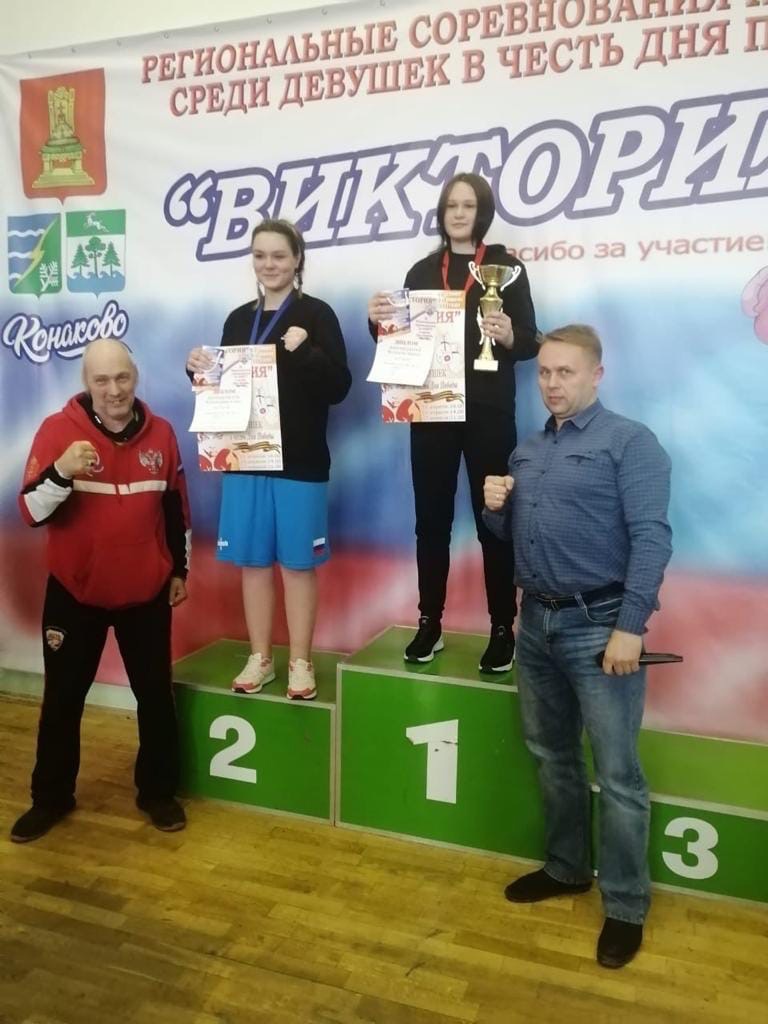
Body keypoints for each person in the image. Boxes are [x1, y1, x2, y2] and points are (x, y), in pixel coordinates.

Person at [483, 324, 672, 968]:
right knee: (552, 755)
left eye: (565, 372)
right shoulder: (528, 450)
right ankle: (566, 868)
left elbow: (652, 538)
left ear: (596, 374)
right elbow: (508, 535)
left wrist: (631, 625)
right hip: (536, 620)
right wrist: (495, 509)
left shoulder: (630, 442)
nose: (552, 383)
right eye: (544, 372)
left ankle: (626, 906)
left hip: (602, 624)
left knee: (617, 774)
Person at [10, 338, 190, 843]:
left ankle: (157, 793)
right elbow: (30, 512)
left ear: (136, 377)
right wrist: (62, 471)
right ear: (87, 384)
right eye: (102, 380)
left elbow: (175, 509)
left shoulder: (163, 433)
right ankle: (50, 799)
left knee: (154, 697)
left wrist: (179, 570)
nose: (114, 390)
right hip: (75, 594)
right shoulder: (56, 431)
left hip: (146, 593)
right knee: (62, 701)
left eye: (122, 377)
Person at [368, 172, 539, 671]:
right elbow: (398, 340)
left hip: (489, 411)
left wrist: (508, 335)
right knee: (431, 522)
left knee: (494, 521)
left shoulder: (507, 269)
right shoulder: (422, 270)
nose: (459, 213)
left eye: (468, 205)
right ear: (442, 214)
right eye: (451, 205)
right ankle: (430, 621)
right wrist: (377, 321)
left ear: (482, 212)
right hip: (431, 411)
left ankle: (503, 626)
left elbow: (530, 340)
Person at [187, 219, 351, 700]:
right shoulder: (239, 319)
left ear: (297, 259)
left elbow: (339, 387)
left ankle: (300, 660)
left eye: (279, 255)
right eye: (260, 255)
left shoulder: (317, 314)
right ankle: (260, 657)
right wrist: (197, 371)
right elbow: (222, 390)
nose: (269, 264)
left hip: (300, 462)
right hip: (245, 458)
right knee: (254, 563)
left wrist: (306, 352)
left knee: (297, 565)